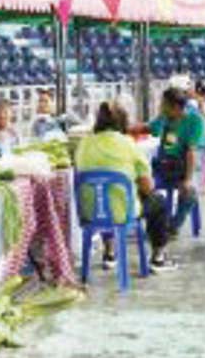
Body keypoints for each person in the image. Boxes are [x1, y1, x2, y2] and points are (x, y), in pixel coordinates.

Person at [74, 101, 177, 271]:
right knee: (158, 201)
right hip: (123, 212)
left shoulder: (84, 144)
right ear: (123, 122)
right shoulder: (128, 144)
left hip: (89, 212)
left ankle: (109, 252)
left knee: (102, 198)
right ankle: (158, 257)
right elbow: (147, 187)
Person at [146, 87, 205, 235]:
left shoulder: (195, 120)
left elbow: (191, 152)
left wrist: (187, 180)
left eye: (164, 104)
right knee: (144, 186)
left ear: (177, 107)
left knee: (189, 192)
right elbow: (153, 130)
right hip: (164, 164)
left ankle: (173, 225)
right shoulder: (165, 116)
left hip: (187, 164)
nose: (161, 107)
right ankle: (156, 223)